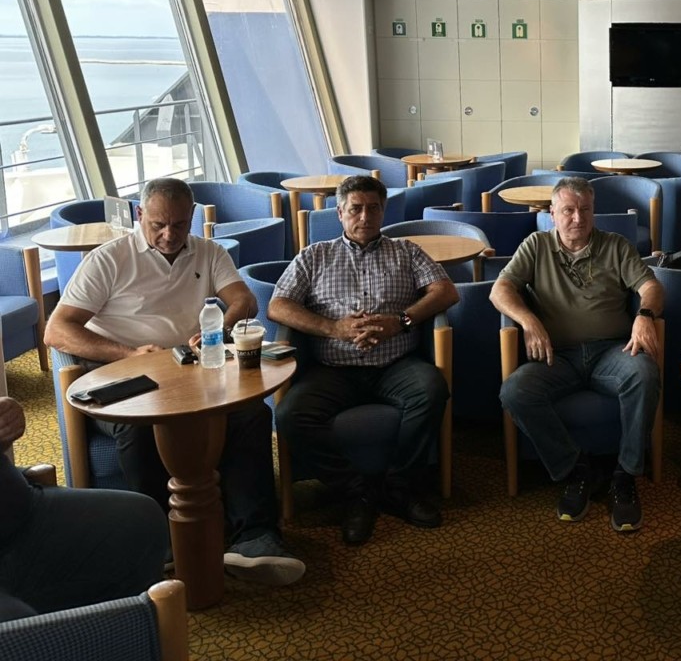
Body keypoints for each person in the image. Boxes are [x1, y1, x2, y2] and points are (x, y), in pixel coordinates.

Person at [45, 177, 304, 585]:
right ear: (139, 215)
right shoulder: (108, 259)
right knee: (142, 427)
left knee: (250, 415)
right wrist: (129, 354)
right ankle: (160, 542)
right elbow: (57, 330)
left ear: (192, 217)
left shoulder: (208, 251)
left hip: (187, 370)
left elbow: (244, 300)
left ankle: (254, 536)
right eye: (159, 225)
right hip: (122, 374)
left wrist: (219, 326)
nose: (169, 234)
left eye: (180, 224)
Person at [269, 174, 457, 546]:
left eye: (373, 208)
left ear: (383, 211)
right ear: (340, 213)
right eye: (355, 209)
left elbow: (446, 291)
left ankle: (399, 486)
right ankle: (357, 491)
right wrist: (332, 328)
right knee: (290, 415)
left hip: (395, 364)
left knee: (432, 390)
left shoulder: (406, 251)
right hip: (333, 369)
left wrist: (400, 321)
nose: (365, 217)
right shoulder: (315, 256)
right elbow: (278, 305)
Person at [492, 177, 663, 533]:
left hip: (611, 352)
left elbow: (651, 286)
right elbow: (500, 289)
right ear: (552, 213)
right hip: (557, 356)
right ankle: (575, 468)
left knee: (644, 373)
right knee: (515, 391)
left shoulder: (615, 245)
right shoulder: (536, 245)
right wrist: (528, 320)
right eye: (568, 210)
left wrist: (645, 315)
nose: (577, 218)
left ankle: (625, 474)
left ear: (593, 211)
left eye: (585, 209)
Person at [0, 396, 168, 620]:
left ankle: (128, 631)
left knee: (142, 519)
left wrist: (5, 424)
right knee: (20, 626)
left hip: (22, 511)